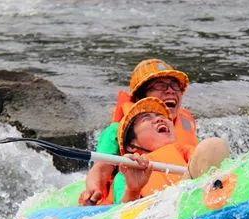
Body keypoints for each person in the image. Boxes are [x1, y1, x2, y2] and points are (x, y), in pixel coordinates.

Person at [107, 97, 249, 204]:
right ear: (132, 146)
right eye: (146, 118)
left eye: (161, 116)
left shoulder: (192, 153)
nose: (160, 119)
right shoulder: (129, 172)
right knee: (213, 146)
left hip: (221, 195)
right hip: (172, 210)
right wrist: (133, 189)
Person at [79, 58, 198, 205]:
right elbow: (101, 168)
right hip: (135, 183)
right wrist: (93, 190)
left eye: (175, 85)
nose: (170, 90)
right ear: (140, 97)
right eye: (160, 86)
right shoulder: (119, 131)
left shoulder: (182, 124)